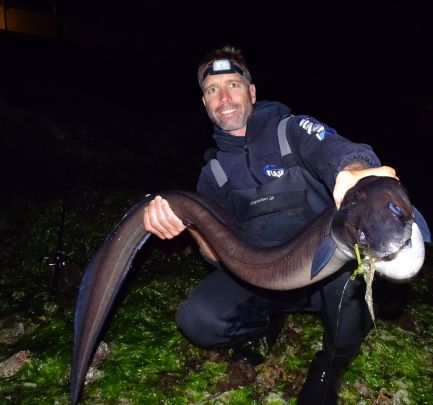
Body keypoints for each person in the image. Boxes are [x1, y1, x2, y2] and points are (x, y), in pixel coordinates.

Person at [144, 45, 397, 404]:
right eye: (212, 90)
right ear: (204, 104)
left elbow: (338, 151)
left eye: (233, 84)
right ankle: (262, 328)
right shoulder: (211, 175)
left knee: (356, 274)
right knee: (197, 317)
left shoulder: (291, 130)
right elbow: (216, 258)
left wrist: (355, 172)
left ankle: (330, 363)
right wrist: (189, 225)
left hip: (325, 272)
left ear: (252, 91)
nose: (224, 97)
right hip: (262, 281)